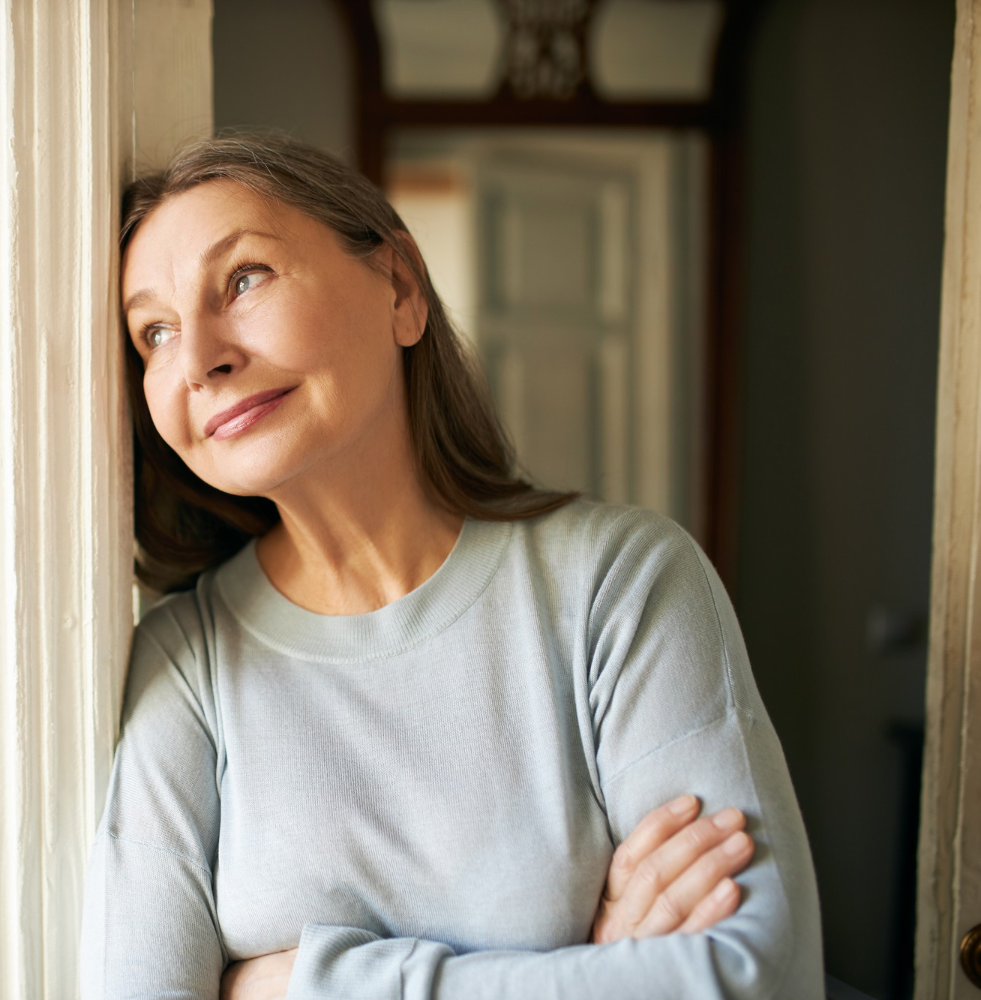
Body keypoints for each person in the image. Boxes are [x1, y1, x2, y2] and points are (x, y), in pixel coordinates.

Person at [80, 133, 823, 999]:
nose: (200, 355)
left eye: (244, 279)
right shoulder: (186, 661)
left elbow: (759, 978)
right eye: (154, 332)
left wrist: (301, 987)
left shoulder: (622, 585)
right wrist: (586, 971)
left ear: (400, 286)